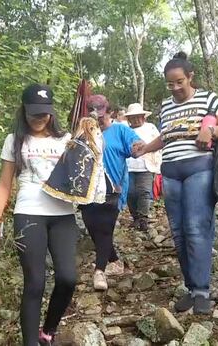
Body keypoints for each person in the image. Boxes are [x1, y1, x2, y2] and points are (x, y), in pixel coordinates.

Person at [134, 52, 218, 314]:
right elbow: (166, 136)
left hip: (199, 169)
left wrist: (211, 130)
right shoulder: (166, 106)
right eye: (170, 84)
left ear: (190, 76)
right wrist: (145, 148)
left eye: (179, 81)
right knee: (178, 234)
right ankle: (191, 288)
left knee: (195, 228)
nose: (176, 88)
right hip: (170, 171)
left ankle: (203, 290)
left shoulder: (208, 98)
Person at [0, 84, 76, 346]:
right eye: (33, 113)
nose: (39, 119)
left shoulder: (66, 139)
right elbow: (5, 184)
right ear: (23, 111)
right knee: (35, 282)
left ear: (51, 112)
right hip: (28, 213)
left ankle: (48, 330)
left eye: (44, 114)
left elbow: (82, 176)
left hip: (63, 213)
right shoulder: (14, 140)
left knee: (68, 278)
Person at [79, 94, 144, 291]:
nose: (97, 119)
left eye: (101, 115)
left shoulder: (120, 130)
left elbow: (136, 146)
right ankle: (114, 260)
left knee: (105, 228)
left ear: (109, 112)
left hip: (113, 189)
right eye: (93, 115)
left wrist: (137, 147)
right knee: (93, 228)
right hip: (88, 190)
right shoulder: (83, 133)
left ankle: (99, 271)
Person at [124, 102, 161, 232]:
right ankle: (135, 217)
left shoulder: (151, 128)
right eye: (133, 117)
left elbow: (159, 143)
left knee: (144, 192)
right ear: (128, 119)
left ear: (143, 117)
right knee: (130, 193)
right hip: (128, 166)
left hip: (146, 166)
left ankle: (143, 218)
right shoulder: (125, 130)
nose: (136, 119)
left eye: (138, 116)